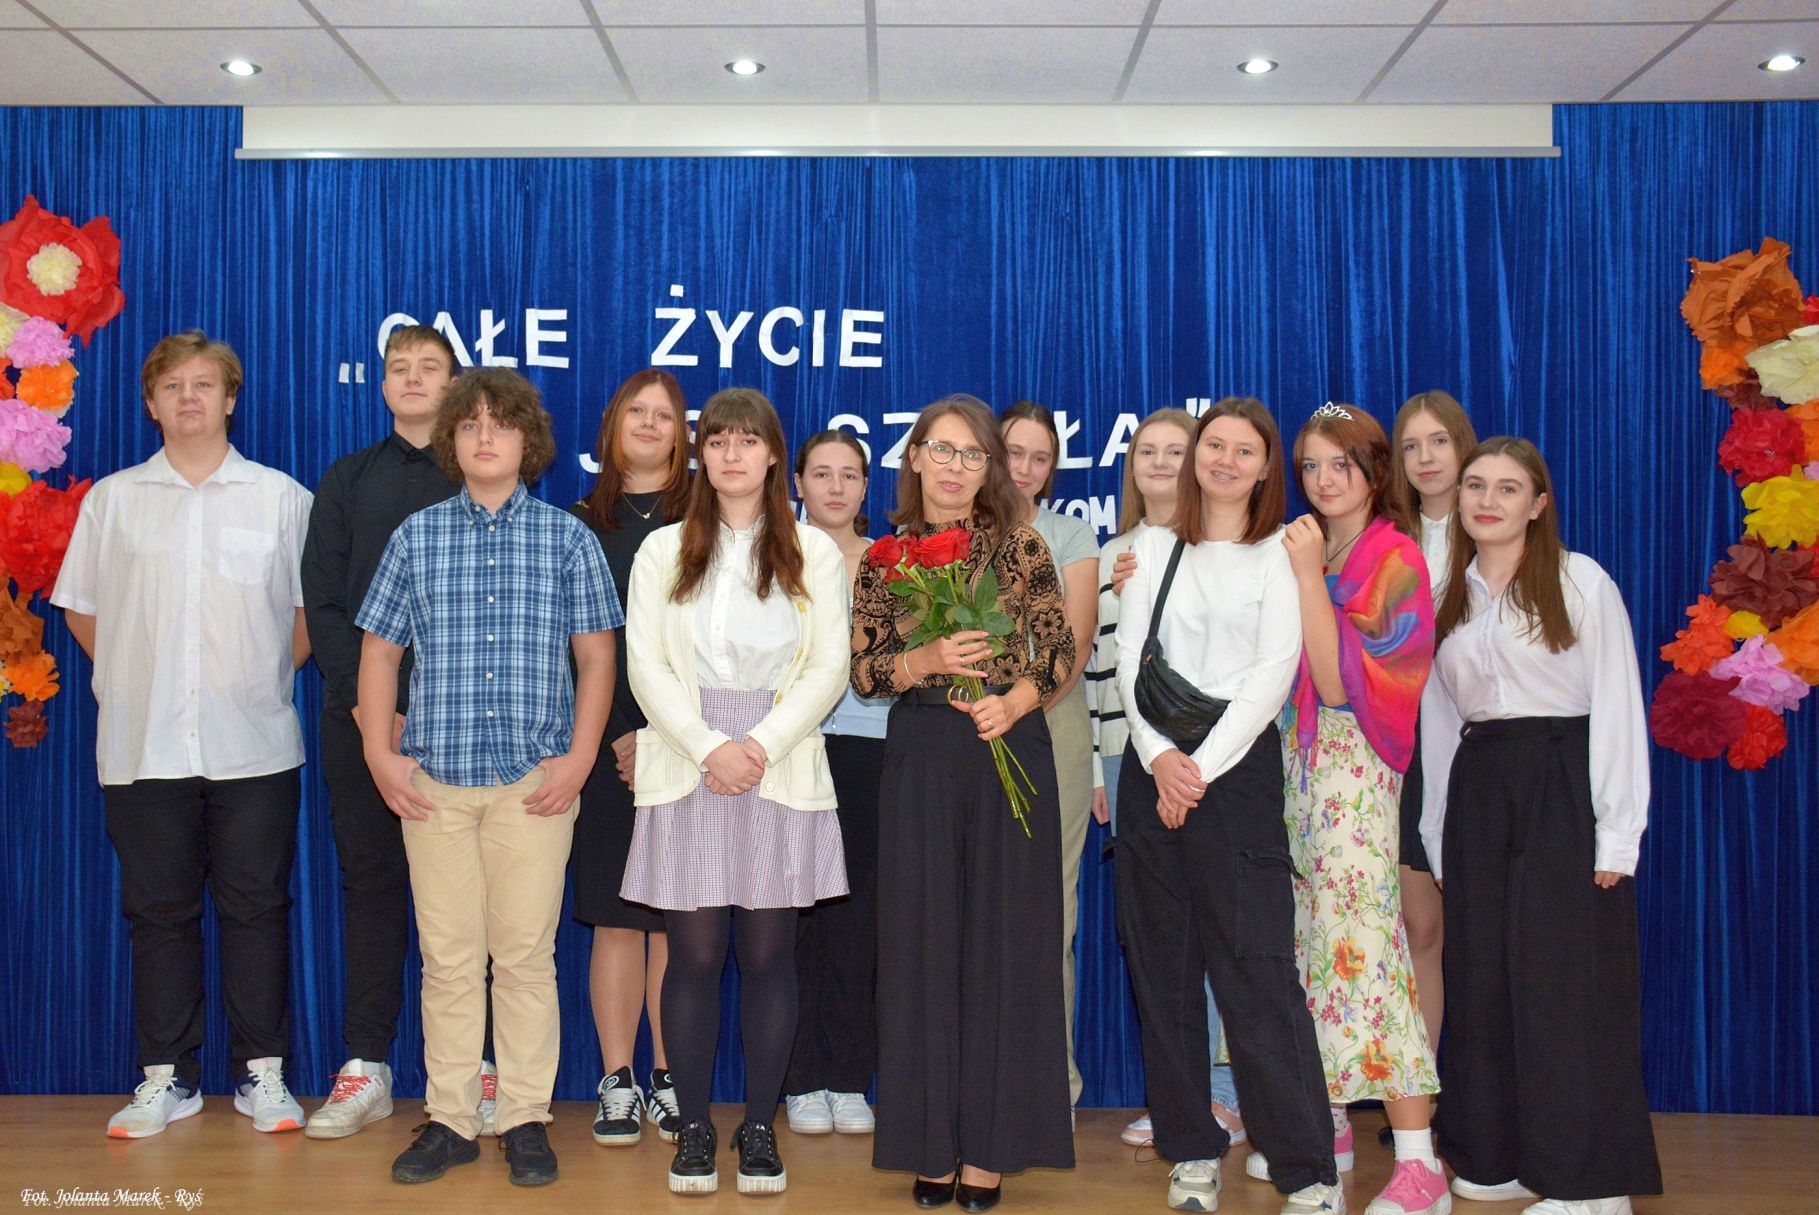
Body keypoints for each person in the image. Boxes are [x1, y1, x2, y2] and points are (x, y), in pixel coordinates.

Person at [356, 368, 620, 1187]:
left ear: (526, 441)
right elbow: (378, 653)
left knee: (525, 957)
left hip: (532, 785)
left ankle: (525, 1117)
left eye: (499, 424)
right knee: (447, 958)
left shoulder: (567, 538)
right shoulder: (416, 536)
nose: (483, 436)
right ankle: (450, 1118)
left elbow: (596, 658)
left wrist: (579, 758)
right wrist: (379, 754)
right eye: (468, 424)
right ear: (451, 442)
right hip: (434, 784)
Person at [52, 331, 313, 1139]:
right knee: (158, 912)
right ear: (151, 402)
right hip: (145, 744)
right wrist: (141, 676)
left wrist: (254, 678)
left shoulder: (280, 498)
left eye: (204, 384)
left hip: (254, 744)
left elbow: (308, 615)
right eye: (173, 386)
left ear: (231, 398)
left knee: (257, 907)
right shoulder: (114, 500)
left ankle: (263, 1072)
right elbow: (82, 609)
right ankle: (166, 1076)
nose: (189, 397)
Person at [1421, 438, 1662, 1215]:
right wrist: (1435, 833)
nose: (1487, 500)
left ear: (1537, 503)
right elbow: (1438, 721)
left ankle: (1591, 1184)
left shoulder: (1579, 580)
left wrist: (1615, 832)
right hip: (1479, 789)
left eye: (1507, 487)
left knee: (1563, 983)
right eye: (1474, 485)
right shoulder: (1448, 596)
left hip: (1561, 784)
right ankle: (1500, 1155)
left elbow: (1617, 702)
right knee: (1483, 978)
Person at [1113, 398, 1342, 1215]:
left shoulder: (1280, 552)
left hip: (1234, 774)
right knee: (1163, 971)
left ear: (1265, 466)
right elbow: (1130, 662)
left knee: (1257, 972)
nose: (1224, 461)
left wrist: (1196, 771)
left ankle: (1306, 1168)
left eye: (1244, 450)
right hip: (1152, 767)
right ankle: (1190, 1149)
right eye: (1214, 445)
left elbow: (1272, 674)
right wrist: (1159, 759)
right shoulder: (1149, 546)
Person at [621, 388, 851, 1196]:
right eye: (717, 440)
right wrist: (709, 747)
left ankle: (757, 1126)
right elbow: (645, 664)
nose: (731, 454)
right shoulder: (662, 550)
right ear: (700, 454)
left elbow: (828, 666)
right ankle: (693, 1128)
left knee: (767, 954)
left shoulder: (812, 551)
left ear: (771, 455)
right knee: (692, 954)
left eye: (747, 441)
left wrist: (757, 745)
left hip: (774, 761)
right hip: (690, 760)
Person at [854, 394, 1076, 1212]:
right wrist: (926, 659)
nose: (954, 466)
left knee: (1005, 949)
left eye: (971, 454)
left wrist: (1012, 702)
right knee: (920, 948)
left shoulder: (1020, 546)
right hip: (920, 752)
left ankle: (990, 1148)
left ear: (990, 468)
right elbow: (866, 672)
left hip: (1006, 743)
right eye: (940, 450)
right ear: (914, 457)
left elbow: (1059, 652)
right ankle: (928, 1142)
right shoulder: (884, 557)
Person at [1268, 402, 1446, 1215]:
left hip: (1354, 766)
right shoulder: (1309, 544)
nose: (1322, 479)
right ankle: (1329, 1126)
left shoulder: (1392, 556)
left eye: (1339, 462)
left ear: (1374, 470)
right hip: (1297, 765)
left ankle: (1417, 1162)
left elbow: (1341, 684)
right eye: (1309, 465)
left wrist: (1309, 578)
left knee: (1368, 950)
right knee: (1310, 947)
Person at [301, 323, 465, 1140]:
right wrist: (372, 708)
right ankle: (368, 1061)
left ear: (453, 383)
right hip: (361, 724)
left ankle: (470, 1068)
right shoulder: (346, 479)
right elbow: (325, 604)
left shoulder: (481, 477)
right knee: (371, 888)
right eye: (398, 366)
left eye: (428, 366)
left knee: (468, 903)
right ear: (381, 383)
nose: (412, 377)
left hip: (467, 728)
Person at [1097, 408, 1247, 1153]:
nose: (1159, 462)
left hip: (1211, 755)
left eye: (1174, 450)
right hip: (1129, 757)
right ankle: (1177, 1097)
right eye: (1145, 451)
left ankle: (1224, 1095)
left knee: (1222, 928)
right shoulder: (1114, 553)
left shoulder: (1227, 547)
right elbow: (1103, 670)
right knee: (1157, 940)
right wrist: (1103, 762)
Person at [569, 368, 691, 1148]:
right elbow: (570, 645)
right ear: (612, 426)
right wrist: (614, 734)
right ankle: (618, 1078)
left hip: (689, 745)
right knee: (616, 920)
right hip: (601, 745)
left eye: (664, 415)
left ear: (684, 435)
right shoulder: (577, 523)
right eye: (635, 412)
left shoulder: (709, 517)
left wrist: (666, 734)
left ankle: (670, 1075)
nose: (648, 424)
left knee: (678, 922)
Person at [784, 429, 885, 1137]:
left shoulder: (893, 562)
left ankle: (850, 1078)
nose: (836, 487)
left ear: (865, 487)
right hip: (792, 749)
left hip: (873, 750)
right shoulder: (772, 556)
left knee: (859, 921)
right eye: (821, 473)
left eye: (850, 474)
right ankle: (799, 1078)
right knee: (793, 923)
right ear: (797, 483)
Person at [1001, 399, 1098, 1113]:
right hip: (965, 727)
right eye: (1014, 453)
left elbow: (1076, 642)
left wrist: (1018, 704)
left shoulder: (1070, 534)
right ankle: (974, 1080)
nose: (1025, 470)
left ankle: (1048, 1090)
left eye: (1040, 458)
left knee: (1047, 915)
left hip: (1050, 724)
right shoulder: (953, 531)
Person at [1383, 390, 1477, 1068]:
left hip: (1485, 748)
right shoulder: (1384, 540)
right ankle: (1422, 1086)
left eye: (1438, 441)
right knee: (1420, 928)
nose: (1425, 458)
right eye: (1410, 446)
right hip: (1405, 747)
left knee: (1488, 933)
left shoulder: (1500, 531)